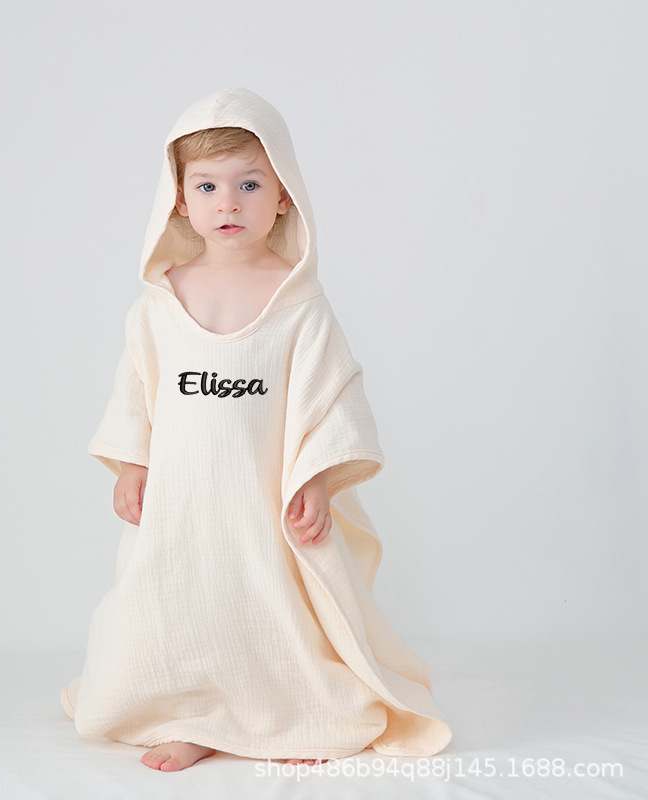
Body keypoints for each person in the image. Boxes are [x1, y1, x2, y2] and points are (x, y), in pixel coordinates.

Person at [61, 87, 452, 772]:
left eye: (249, 184)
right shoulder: (159, 302)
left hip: (261, 503)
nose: (229, 204)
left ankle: (290, 718)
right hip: (181, 506)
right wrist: (132, 465)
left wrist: (318, 480)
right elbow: (136, 393)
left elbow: (332, 399)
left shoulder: (299, 303)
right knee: (176, 605)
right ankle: (189, 715)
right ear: (179, 199)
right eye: (207, 186)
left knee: (268, 610)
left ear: (283, 196)